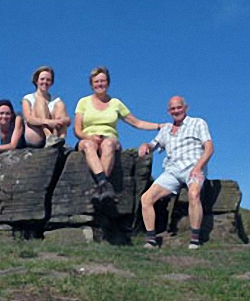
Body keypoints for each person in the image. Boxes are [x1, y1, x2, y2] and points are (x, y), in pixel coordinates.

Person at [74, 66, 163, 201]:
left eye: (103, 81)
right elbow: (77, 130)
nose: (100, 84)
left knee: (108, 144)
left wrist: (158, 126)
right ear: (92, 84)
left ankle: (101, 184)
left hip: (109, 138)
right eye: (96, 81)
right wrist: (89, 137)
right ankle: (103, 183)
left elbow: (136, 122)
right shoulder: (83, 102)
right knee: (88, 145)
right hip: (88, 138)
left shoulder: (115, 103)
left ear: (108, 83)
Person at [138, 96, 214, 249]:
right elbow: (153, 144)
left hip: (193, 167)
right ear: (168, 111)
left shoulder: (198, 123)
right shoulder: (166, 129)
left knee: (193, 194)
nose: (176, 111)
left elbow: (209, 148)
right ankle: (151, 239)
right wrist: (145, 145)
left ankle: (194, 239)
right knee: (146, 198)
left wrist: (198, 167)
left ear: (186, 108)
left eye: (179, 107)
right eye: (173, 109)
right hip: (172, 171)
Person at [22, 66, 71, 148]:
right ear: (36, 80)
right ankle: (49, 137)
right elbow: (29, 119)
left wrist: (60, 121)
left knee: (60, 105)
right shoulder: (28, 98)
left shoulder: (56, 100)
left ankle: (61, 140)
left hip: (55, 131)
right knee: (40, 101)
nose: (45, 82)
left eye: (48, 80)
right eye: (42, 79)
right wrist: (49, 122)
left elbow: (68, 120)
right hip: (36, 134)